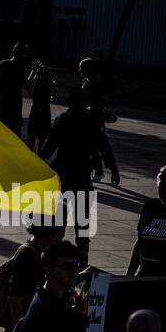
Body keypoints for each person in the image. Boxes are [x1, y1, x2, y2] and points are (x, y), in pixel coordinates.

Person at [39, 86, 116, 266]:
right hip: (81, 177)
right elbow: (103, 146)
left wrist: (37, 162)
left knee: (59, 221)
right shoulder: (91, 121)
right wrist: (113, 168)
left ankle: (56, 256)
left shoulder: (63, 120)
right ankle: (82, 258)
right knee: (82, 223)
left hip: (64, 176)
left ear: (69, 102)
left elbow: (50, 146)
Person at [0, 42, 31, 141]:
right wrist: (34, 72)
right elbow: (26, 85)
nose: (26, 56)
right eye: (25, 53)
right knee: (13, 132)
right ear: (20, 54)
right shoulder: (19, 68)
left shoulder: (3, 64)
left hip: (1, 101)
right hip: (14, 104)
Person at [26, 58, 55, 154]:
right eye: (41, 73)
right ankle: (30, 157)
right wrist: (35, 76)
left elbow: (53, 95)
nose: (42, 75)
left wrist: (50, 78)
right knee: (31, 138)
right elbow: (30, 93)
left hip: (45, 112)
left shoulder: (50, 83)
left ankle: (40, 156)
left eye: (44, 73)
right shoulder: (36, 82)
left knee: (42, 140)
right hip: (35, 111)